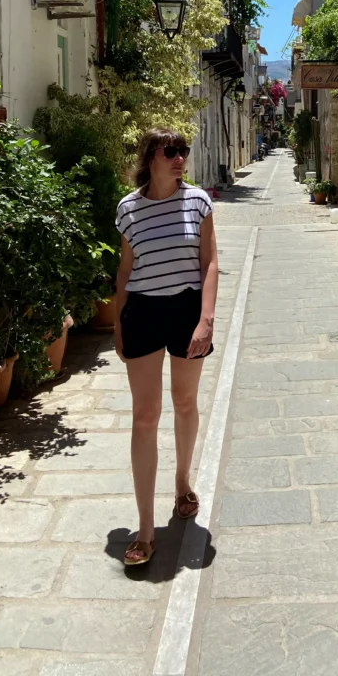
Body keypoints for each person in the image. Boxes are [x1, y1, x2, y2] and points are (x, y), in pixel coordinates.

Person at [114, 127, 218, 567]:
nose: (180, 158)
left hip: (185, 311)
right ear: (149, 157)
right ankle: (144, 528)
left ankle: (181, 482)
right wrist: (117, 324)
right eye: (170, 151)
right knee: (144, 416)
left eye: (183, 151)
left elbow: (210, 261)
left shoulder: (198, 201)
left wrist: (206, 319)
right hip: (142, 312)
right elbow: (125, 270)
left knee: (185, 401)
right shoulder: (128, 209)